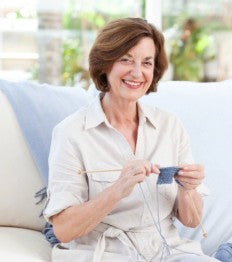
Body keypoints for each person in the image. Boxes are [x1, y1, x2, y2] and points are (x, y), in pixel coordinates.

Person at [43, 18, 219, 262]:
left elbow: (190, 220)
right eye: (126, 59)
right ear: (105, 64)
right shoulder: (71, 133)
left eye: (146, 63)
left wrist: (187, 188)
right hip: (105, 253)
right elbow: (63, 230)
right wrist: (117, 189)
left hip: (167, 250)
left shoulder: (169, 126)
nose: (137, 73)